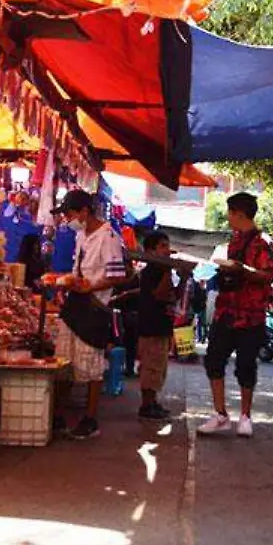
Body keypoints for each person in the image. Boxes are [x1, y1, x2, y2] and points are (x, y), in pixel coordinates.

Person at [198, 193, 273, 438]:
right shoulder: (233, 241)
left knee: (245, 365)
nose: (228, 218)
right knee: (213, 360)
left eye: (230, 213)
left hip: (251, 314)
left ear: (239, 214)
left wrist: (243, 270)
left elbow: (267, 276)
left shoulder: (261, 243)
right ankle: (220, 414)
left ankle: (245, 416)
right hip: (226, 310)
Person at [56, 189, 128, 440]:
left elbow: (118, 275)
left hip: (95, 305)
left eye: (70, 214)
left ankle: (90, 418)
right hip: (75, 302)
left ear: (84, 212)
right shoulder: (81, 236)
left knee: (92, 365)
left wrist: (91, 285)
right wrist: (66, 282)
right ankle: (61, 416)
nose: (67, 219)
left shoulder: (108, 237)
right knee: (64, 359)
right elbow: (78, 269)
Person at [136, 232, 181, 420]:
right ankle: (146, 405)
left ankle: (152, 402)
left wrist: (184, 278)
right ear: (151, 250)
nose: (167, 250)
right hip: (151, 325)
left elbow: (172, 296)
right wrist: (168, 271)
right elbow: (160, 295)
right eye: (162, 246)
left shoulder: (162, 271)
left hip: (161, 324)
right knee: (151, 367)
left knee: (159, 366)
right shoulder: (150, 272)